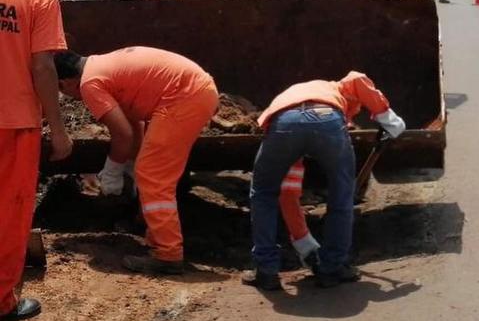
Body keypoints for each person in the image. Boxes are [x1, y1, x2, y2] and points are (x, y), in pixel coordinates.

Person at [53, 47, 219, 275]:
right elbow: (133, 125)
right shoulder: (102, 68)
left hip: (183, 97)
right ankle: (155, 234)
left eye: (61, 91)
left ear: (66, 82)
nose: (69, 97)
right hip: (191, 92)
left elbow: (122, 135)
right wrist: (130, 166)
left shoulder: (89, 84)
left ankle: (168, 255)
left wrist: (112, 171)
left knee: (152, 174)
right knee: (149, 170)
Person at [242, 71, 406, 291]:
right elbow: (357, 79)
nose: (351, 117)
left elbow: (287, 193)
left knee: (263, 194)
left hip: (284, 123)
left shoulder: (296, 94)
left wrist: (303, 242)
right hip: (327, 119)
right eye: (353, 112)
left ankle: (266, 271)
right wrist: (388, 118)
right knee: (342, 196)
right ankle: (333, 269)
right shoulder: (338, 87)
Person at [0, 0, 73, 321]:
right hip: (14, 122)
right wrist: (58, 129)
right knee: (9, 213)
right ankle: (1, 301)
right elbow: (43, 66)